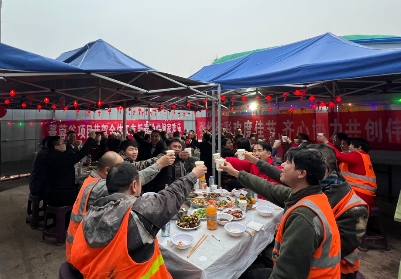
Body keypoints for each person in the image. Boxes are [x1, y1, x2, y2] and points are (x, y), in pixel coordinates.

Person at [243, 144, 369, 278]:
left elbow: (324, 251)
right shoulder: (316, 190)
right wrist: (253, 164)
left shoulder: (353, 208)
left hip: (335, 271)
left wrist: (293, 237)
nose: (283, 166)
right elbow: (276, 182)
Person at [70, 162, 207, 278]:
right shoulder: (137, 211)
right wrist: (193, 175)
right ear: (134, 185)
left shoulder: (90, 214)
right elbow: (170, 196)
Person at [221, 149, 341, 279]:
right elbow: (267, 187)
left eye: (288, 162)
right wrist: (235, 173)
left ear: (301, 173)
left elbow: (286, 275)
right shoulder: (309, 195)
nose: (282, 165)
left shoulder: (303, 217)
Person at [65, 151, 176, 264]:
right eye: (120, 169)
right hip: (82, 255)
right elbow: (137, 179)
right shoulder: (101, 187)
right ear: (108, 170)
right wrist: (159, 164)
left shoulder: (91, 180)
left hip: (80, 245)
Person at [320, 136, 377, 207]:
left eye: (351, 145)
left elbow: (339, 156)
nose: (349, 147)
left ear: (359, 147)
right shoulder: (364, 156)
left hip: (358, 193)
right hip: (364, 194)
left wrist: (326, 142)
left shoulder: (357, 155)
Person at [44, 133, 96, 207]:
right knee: (87, 195)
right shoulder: (62, 158)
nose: (65, 144)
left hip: (50, 193)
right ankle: (76, 217)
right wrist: (91, 139)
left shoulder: (48, 156)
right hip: (62, 195)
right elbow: (81, 154)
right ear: (56, 147)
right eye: (63, 143)